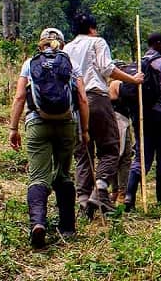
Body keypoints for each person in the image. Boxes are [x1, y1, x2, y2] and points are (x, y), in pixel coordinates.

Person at [9, 28, 90, 248]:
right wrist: (84, 130)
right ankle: (67, 227)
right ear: (62, 44)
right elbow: (82, 99)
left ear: (41, 43)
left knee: (38, 176)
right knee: (63, 174)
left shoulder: (30, 63)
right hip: (66, 125)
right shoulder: (71, 64)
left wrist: (13, 128)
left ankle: (38, 223)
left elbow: (19, 96)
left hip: (37, 122)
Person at [63, 14, 144, 217]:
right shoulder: (97, 42)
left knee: (83, 152)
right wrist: (132, 79)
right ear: (92, 28)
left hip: (73, 102)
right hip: (96, 98)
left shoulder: (67, 48)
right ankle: (99, 190)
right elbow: (107, 68)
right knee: (110, 147)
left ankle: (83, 201)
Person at [124, 32, 161, 210]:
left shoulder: (137, 64)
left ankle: (129, 195)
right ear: (157, 43)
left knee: (142, 157)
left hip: (141, 117)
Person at [109, 71, 136, 205]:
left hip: (124, 121)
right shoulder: (115, 84)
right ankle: (116, 191)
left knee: (125, 156)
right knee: (117, 156)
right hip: (117, 120)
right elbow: (113, 96)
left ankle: (121, 191)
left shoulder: (124, 85)